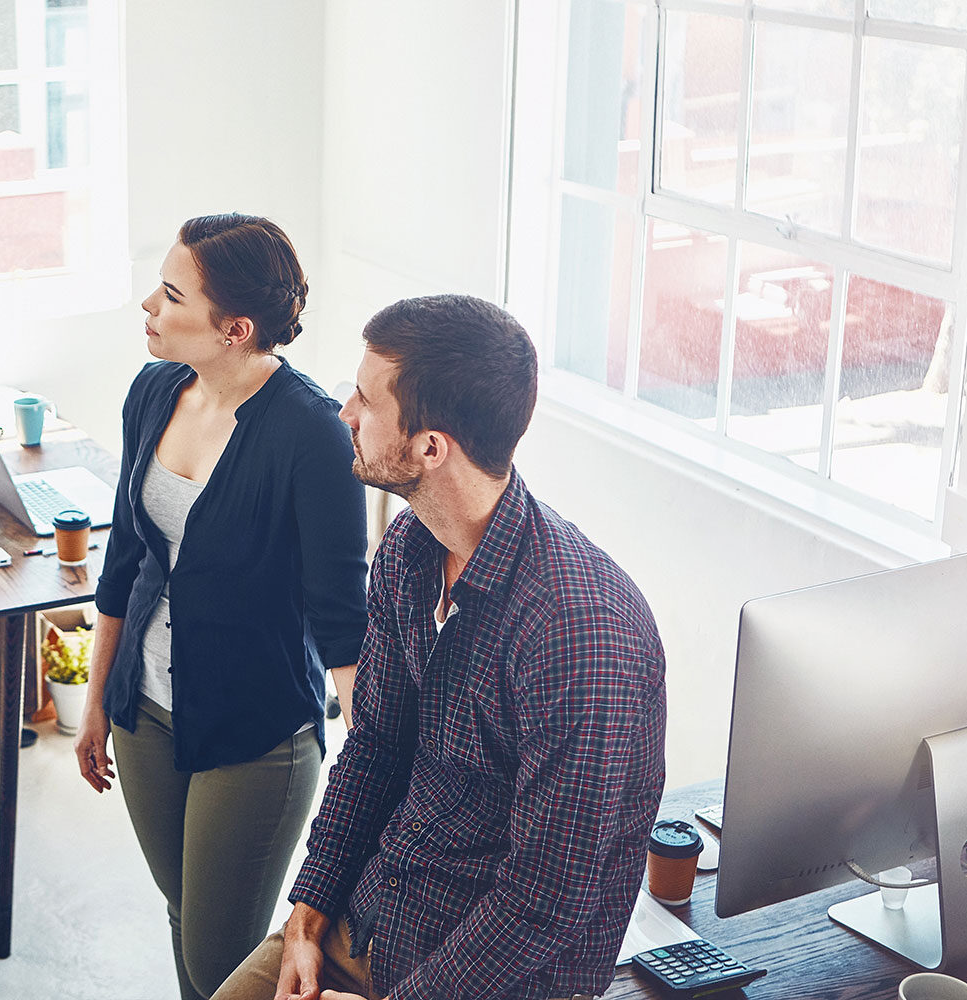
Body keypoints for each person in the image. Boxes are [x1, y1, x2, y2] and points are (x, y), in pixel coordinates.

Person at [212, 294, 667, 1000]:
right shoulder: (410, 548)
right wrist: (306, 918)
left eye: (366, 400)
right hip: (370, 922)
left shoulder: (580, 634)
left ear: (430, 447)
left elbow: (543, 903)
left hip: (490, 978)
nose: (346, 415)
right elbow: (375, 746)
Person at [74, 214, 370, 1000]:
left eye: (172, 295)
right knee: (184, 917)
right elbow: (125, 562)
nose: (149, 304)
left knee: (217, 964)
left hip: (256, 738)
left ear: (235, 329)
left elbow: (343, 620)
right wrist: (99, 699)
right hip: (147, 713)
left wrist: (376, 766)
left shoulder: (315, 433)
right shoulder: (155, 389)